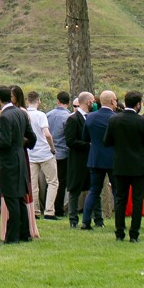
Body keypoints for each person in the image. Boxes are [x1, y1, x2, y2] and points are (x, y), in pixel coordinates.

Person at [0, 85, 36, 243]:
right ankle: (25, 234)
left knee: (11, 199)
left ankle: (12, 237)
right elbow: (32, 138)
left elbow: (5, 142)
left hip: (9, 163)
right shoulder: (21, 113)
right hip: (21, 159)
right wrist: (21, 145)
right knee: (20, 198)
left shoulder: (5, 116)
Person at [107, 89, 144, 241]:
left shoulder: (114, 120)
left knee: (120, 199)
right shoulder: (142, 121)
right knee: (137, 199)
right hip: (139, 166)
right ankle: (134, 233)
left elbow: (107, 141)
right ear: (138, 104)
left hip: (120, 164)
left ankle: (119, 232)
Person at [81, 92, 118, 231]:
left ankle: (85, 221)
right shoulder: (115, 118)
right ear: (112, 101)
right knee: (117, 191)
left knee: (94, 190)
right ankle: (118, 222)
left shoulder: (90, 117)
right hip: (113, 158)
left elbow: (85, 137)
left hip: (95, 158)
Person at [24, 90, 55, 224]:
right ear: (39, 101)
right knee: (53, 182)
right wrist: (52, 148)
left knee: (33, 184)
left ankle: (35, 210)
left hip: (31, 153)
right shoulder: (41, 115)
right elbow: (47, 133)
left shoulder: (24, 114)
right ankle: (49, 211)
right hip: (44, 152)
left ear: (27, 101)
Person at [64, 92, 92, 227]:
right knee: (75, 190)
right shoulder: (73, 119)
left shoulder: (90, 118)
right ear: (87, 102)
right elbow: (70, 141)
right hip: (77, 160)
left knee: (93, 189)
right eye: (92, 101)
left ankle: (97, 219)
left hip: (90, 159)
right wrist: (88, 145)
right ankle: (73, 219)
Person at [47, 92, 73, 220]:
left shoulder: (48, 115)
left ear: (57, 101)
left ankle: (48, 206)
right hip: (63, 153)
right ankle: (58, 208)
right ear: (68, 102)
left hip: (49, 153)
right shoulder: (68, 117)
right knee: (61, 182)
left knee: (50, 181)